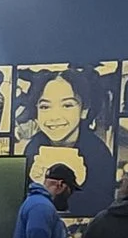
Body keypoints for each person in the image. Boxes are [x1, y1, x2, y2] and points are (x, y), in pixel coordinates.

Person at [19, 69, 113, 203]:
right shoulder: (33, 147)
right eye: (45, 107)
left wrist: (78, 186)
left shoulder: (99, 154)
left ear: (84, 110)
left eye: (67, 105)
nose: (55, 116)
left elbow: (101, 206)